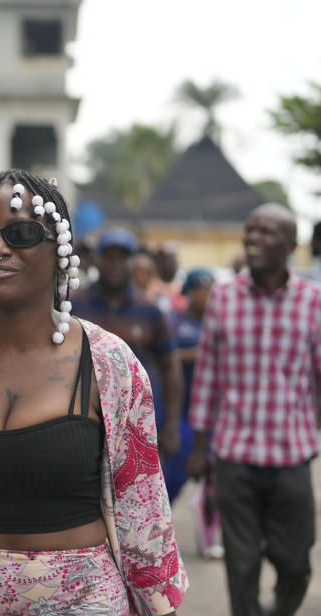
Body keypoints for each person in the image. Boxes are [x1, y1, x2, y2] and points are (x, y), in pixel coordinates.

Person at [0, 170, 187, 614]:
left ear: (61, 253)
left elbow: (143, 513)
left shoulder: (109, 361)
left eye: (20, 233)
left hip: (84, 601)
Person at [186, 203, 321, 616]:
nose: (253, 238)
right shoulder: (223, 298)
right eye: (250, 230)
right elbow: (207, 374)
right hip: (234, 458)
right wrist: (199, 446)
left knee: (295, 564)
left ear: (290, 245)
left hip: (291, 456)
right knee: (241, 568)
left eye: (266, 232)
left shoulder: (313, 301)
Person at [72, 228, 184, 477]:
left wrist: (172, 425)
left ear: (132, 262)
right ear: (96, 260)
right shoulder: (73, 304)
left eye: (122, 257)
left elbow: (170, 367)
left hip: (136, 424)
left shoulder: (150, 310)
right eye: (108, 256)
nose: (115, 264)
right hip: (81, 421)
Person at [172, 268, 221, 558]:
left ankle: (209, 540)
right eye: (204, 289)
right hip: (182, 415)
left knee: (214, 482)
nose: (210, 295)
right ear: (191, 291)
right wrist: (197, 353)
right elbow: (165, 356)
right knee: (174, 478)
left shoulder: (220, 321)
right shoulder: (177, 321)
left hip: (214, 417)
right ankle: (150, 538)